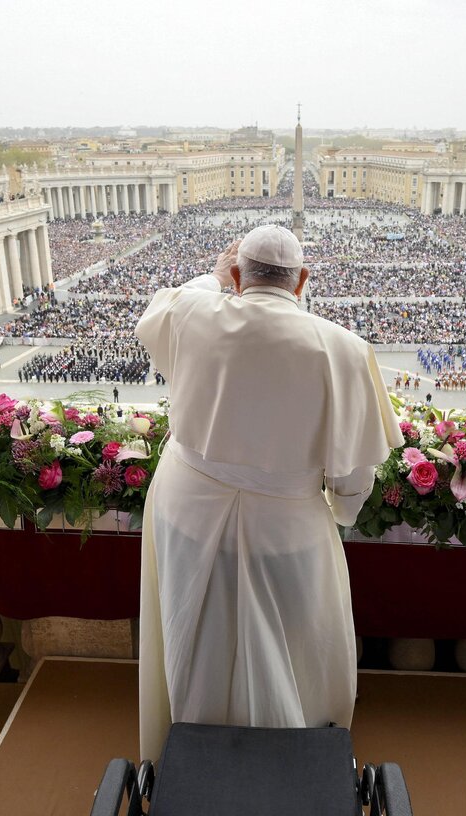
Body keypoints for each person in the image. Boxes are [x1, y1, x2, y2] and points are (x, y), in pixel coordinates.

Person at [134, 225, 402, 760]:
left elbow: (160, 313)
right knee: (293, 645)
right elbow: (354, 473)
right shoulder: (343, 348)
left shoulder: (193, 311)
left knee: (195, 633)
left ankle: (192, 745)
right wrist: (343, 512)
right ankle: (290, 756)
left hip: (187, 508)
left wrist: (214, 279)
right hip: (287, 524)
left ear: (236, 275)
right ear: (302, 281)